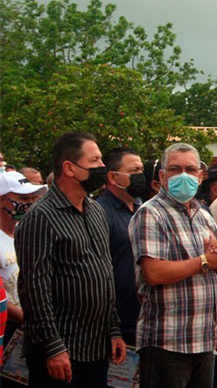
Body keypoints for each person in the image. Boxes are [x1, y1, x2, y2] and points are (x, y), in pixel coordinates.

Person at [16, 132, 126, 387]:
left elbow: (103, 272)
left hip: (96, 348)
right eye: (95, 161)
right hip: (61, 350)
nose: (103, 167)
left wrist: (113, 329)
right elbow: (34, 288)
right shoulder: (40, 217)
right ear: (69, 168)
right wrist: (52, 346)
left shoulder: (95, 209)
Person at [129, 143, 217, 388]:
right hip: (167, 341)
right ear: (162, 175)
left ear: (200, 175)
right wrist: (207, 261)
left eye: (190, 169)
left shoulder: (204, 215)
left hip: (204, 340)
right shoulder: (151, 214)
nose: (183, 175)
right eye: (175, 169)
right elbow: (153, 273)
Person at [97, 147, 146, 347]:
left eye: (142, 170)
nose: (140, 176)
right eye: (134, 171)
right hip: (117, 324)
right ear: (113, 177)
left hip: (144, 319)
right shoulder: (100, 213)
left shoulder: (143, 209)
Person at [0, 171, 47, 348]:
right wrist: (28, 318)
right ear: (3, 199)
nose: (29, 205)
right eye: (23, 199)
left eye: (31, 199)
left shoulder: (25, 232)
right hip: (7, 327)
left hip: (30, 325)